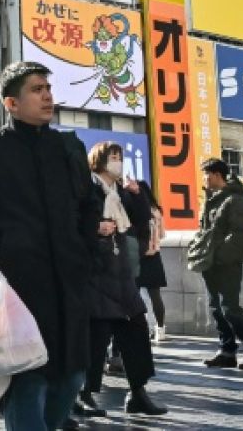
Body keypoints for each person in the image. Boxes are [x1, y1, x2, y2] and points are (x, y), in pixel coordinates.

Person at [0, 62, 100, 431]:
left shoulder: (69, 147)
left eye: (47, 87)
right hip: (20, 290)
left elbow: (88, 205)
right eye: (36, 89)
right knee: (27, 381)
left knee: (71, 379)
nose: (47, 95)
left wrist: (84, 252)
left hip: (69, 285)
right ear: (11, 103)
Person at [77, 142, 166, 419]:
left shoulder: (122, 192)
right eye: (112, 157)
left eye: (120, 157)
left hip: (122, 272)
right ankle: (85, 394)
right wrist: (94, 228)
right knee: (97, 337)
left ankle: (138, 393)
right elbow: (71, 222)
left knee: (137, 332)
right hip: (97, 274)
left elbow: (141, 223)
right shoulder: (86, 188)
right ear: (99, 160)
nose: (118, 162)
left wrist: (138, 197)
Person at [190, 157, 243, 371]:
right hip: (210, 262)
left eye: (206, 174)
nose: (204, 178)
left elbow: (238, 235)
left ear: (216, 175)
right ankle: (227, 352)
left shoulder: (235, 200)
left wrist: (220, 256)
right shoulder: (211, 199)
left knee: (229, 308)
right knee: (216, 308)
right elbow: (205, 232)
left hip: (226, 263)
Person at [134, 179, 168, 343]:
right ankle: (160, 329)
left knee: (134, 295)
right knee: (155, 295)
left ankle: (142, 328)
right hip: (154, 257)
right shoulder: (157, 211)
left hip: (138, 257)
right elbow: (162, 235)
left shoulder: (137, 210)